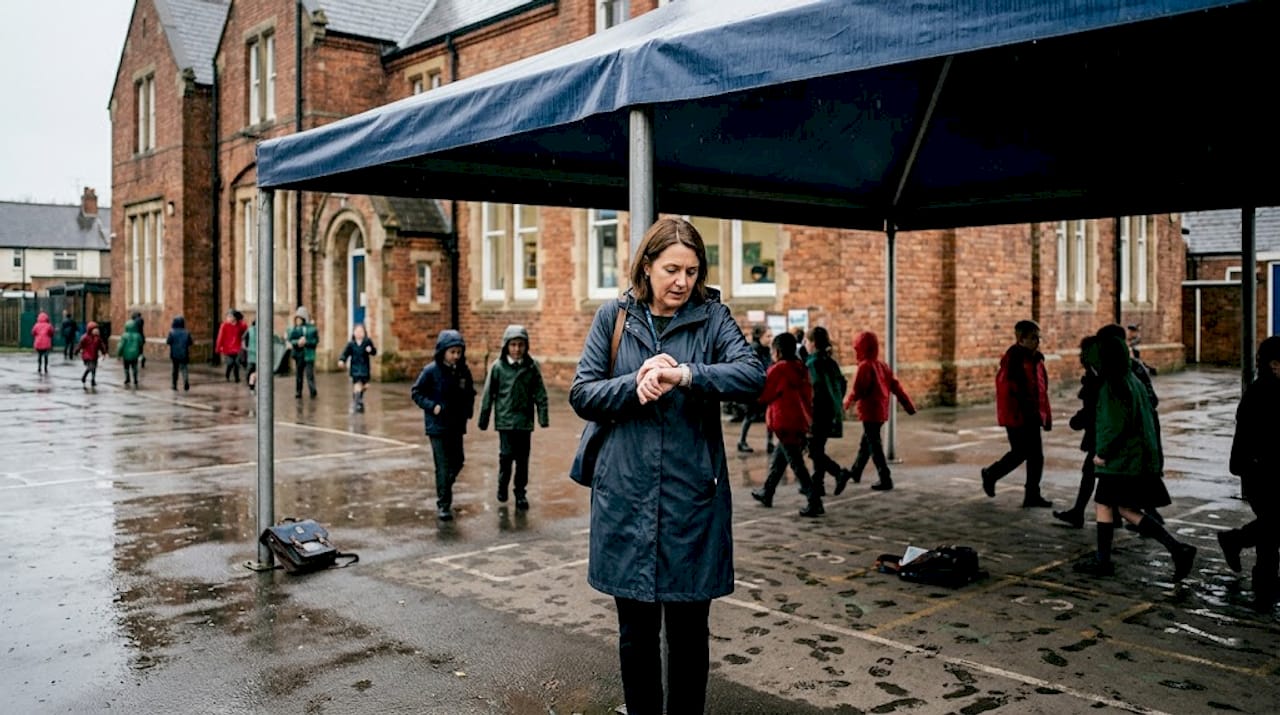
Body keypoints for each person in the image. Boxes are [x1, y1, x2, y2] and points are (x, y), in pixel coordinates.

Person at [569, 217, 764, 715]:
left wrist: (685, 374)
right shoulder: (613, 317)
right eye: (672, 269)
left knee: (688, 634)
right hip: (626, 497)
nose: (682, 282)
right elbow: (583, 392)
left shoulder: (713, 317)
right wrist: (633, 385)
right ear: (647, 266)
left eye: (693, 271)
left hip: (691, 500)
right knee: (635, 634)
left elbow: (750, 376)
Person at [1073, 336, 1195, 581]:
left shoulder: (1113, 386)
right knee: (1121, 507)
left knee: (1108, 504)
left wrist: (1102, 454)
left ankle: (1107, 561)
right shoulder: (1132, 379)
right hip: (1135, 457)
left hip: (1121, 461)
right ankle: (1174, 549)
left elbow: (1116, 425)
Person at [1219, 336, 1280, 610]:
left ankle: (1237, 543)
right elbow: (1254, 440)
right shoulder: (1261, 394)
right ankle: (1264, 586)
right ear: (1274, 365)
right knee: (1273, 525)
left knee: (1272, 528)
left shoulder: (1273, 389)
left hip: (1267, 473)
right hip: (1260, 474)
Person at [981, 320, 1053, 507]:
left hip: (1032, 415)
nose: (1037, 342)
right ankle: (991, 474)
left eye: (1038, 338)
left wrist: (1045, 415)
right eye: (1033, 338)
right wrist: (1017, 414)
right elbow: (1008, 392)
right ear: (1021, 340)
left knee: (1036, 456)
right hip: (1018, 416)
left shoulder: (1036, 360)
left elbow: (1042, 390)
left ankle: (1032, 495)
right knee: (1020, 453)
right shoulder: (1014, 361)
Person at [477, 325, 550, 510]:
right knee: (506, 457)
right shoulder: (498, 368)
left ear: (526, 346)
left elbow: (540, 393)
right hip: (506, 422)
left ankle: (520, 493)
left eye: (520, 345)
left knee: (523, 460)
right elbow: (488, 394)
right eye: (513, 345)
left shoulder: (531, 368)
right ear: (506, 346)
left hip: (524, 422)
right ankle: (502, 486)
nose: (517, 349)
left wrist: (543, 417)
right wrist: (484, 419)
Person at [751, 331, 823, 517]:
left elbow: (765, 394)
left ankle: (814, 500)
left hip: (784, 422)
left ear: (778, 351)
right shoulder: (801, 367)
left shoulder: (778, 370)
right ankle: (767, 492)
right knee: (779, 459)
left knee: (796, 464)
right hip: (799, 420)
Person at [838, 330, 916, 492]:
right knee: (866, 443)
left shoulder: (864, 366)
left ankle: (885, 478)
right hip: (881, 411)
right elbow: (896, 387)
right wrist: (908, 406)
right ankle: (856, 472)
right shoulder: (882, 366)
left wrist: (845, 404)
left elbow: (857, 390)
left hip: (869, 411)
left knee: (874, 445)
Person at [411, 329, 476, 521]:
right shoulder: (431, 371)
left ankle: (444, 486)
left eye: (459, 352)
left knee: (458, 461)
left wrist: (468, 411)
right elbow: (416, 393)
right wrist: (432, 406)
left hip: (456, 424)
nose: (456, 356)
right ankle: (444, 504)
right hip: (437, 426)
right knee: (442, 465)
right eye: (452, 352)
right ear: (443, 352)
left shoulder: (463, 371)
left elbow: (470, 392)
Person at [1054, 336, 1103, 528]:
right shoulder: (1096, 373)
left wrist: (1078, 420)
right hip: (1101, 434)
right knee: (1093, 474)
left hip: (1103, 435)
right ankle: (1079, 512)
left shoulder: (1098, 376)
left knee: (1097, 476)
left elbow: (1094, 407)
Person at [806, 326, 848, 496]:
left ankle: (838, 472)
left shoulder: (812, 363)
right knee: (818, 448)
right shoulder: (831, 362)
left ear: (813, 343)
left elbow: (811, 389)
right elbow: (842, 384)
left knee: (814, 451)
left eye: (807, 341)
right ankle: (818, 485)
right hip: (831, 411)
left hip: (817, 413)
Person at [737, 324, 774, 454]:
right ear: (760, 337)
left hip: (764, 388)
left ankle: (770, 442)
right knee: (750, 416)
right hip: (753, 390)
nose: (770, 339)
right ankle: (741, 441)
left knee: (768, 415)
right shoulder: (753, 350)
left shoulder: (766, 350)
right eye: (767, 336)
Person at [338, 323, 378, 413]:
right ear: (354, 333)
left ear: (364, 333)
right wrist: (342, 360)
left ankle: (357, 396)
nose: (359, 333)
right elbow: (345, 353)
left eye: (361, 331)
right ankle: (358, 403)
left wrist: (371, 350)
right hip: (355, 368)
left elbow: (374, 352)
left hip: (365, 368)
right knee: (357, 384)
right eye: (357, 331)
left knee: (365, 386)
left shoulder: (367, 342)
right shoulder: (351, 344)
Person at [288, 306, 319, 399]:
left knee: (310, 374)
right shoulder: (295, 329)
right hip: (299, 355)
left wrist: (307, 342)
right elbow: (291, 340)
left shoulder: (312, 329)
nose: (298, 321)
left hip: (309, 355)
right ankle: (298, 391)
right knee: (299, 374)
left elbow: (315, 341)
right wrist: (297, 342)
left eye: (300, 318)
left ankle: (313, 390)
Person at [166, 315, 193, 391]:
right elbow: (190, 342)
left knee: (175, 370)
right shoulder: (186, 332)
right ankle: (186, 381)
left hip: (174, 354)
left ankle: (174, 385)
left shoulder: (172, 332)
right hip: (184, 353)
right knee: (184, 368)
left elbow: (168, 342)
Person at [215, 310, 244, 383]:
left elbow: (244, 329)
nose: (228, 318)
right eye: (227, 316)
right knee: (230, 363)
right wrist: (218, 348)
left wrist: (240, 320)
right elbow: (220, 337)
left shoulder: (240, 325)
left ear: (234, 318)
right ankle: (227, 374)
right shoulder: (224, 325)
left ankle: (237, 378)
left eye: (230, 316)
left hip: (237, 348)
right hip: (227, 348)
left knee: (237, 363)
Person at [77, 321, 108, 388]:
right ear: (90, 330)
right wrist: (77, 351)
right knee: (91, 367)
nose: (96, 330)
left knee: (94, 369)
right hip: (87, 355)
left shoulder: (98, 338)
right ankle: (84, 377)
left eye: (97, 329)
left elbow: (101, 346)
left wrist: (104, 352)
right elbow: (80, 345)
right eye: (95, 329)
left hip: (94, 355)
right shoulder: (85, 337)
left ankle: (93, 380)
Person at [117, 318, 144, 388]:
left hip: (126, 355)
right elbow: (141, 344)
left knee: (126, 368)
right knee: (134, 367)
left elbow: (121, 346)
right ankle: (135, 380)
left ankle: (127, 379)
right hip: (135, 354)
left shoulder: (124, 335)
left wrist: (119, 354)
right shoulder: (138, 335)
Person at [244, 319, 258, 392]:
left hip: (257, 354)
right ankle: (250, 384)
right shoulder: (250, 330)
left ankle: (252, 384)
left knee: (254, 371)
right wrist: (246, 347)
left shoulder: (263, 331)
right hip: (252, 353)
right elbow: (244, 338)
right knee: (251, 370)